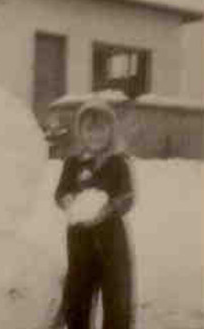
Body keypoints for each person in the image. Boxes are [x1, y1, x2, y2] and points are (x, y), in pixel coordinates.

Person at [51, 99, 135, 329]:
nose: (95, 136)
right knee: (77, 294)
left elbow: (127, 197)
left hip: (111, 240)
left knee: (116, 296)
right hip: (80, 239)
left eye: (101, 130)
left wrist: (110, 207)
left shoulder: (118, 163)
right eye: (89, 129)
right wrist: (67, 201)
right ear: (80, 131)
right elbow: (61, 192)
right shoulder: (73, 163)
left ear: (111, 131)